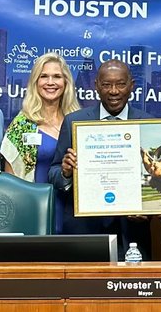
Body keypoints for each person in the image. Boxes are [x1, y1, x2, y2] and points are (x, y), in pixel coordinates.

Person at [48, 59, 153, 245]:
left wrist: (148, 207)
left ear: (131, 86)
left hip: (132, 232)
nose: (114, 91)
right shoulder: (75, 122)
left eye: (121, 84)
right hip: (84, 230)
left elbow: (154, 176)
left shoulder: (148, 123)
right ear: (96, 86)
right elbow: (54, 174)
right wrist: (65, 172)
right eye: (106, 85)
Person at [0, 53, 81, 230]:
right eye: (44, 76)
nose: (50, 82)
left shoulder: (79, 121)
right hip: (34, 211)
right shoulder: (22, 124)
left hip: (76, 213)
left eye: (57, 76)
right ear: (35, 82)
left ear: (66, 82)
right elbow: (10, 180)